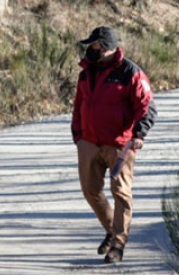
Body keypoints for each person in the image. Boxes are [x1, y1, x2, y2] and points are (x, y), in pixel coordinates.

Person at [72, 26, 157, 264]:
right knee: (90, 190)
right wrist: (78, 136)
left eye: (94, 46)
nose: (89, 50)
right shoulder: (86, 72)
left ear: (105, 47)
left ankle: (118, 244)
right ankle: (111, 229)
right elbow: (78, 105)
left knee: (121, 194)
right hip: (89, 142)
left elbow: (147, 106)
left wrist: (139, 133)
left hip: (120, 145)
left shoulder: (130, 72)